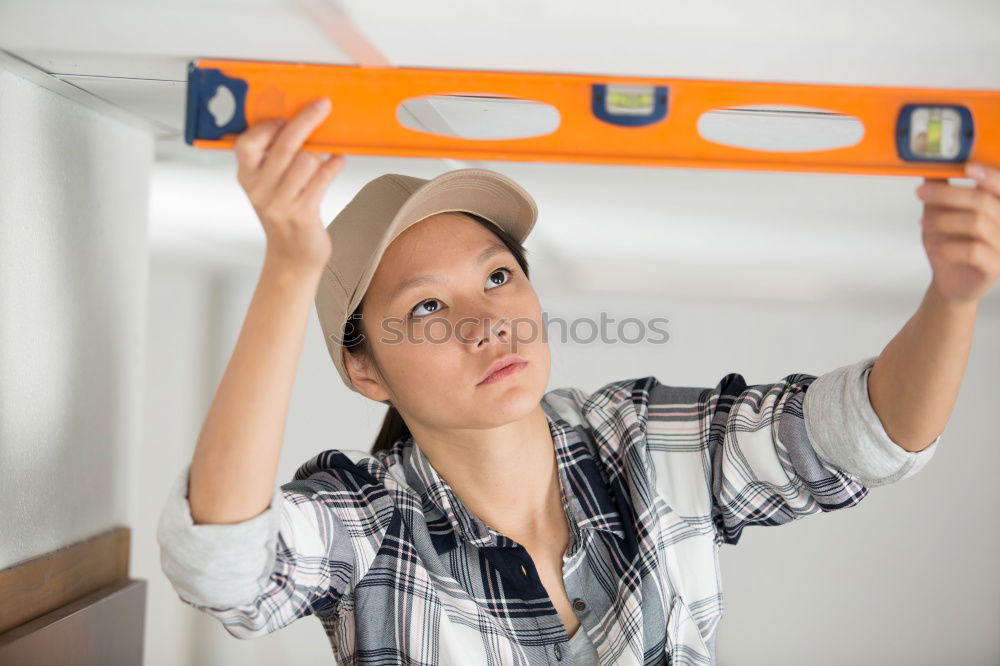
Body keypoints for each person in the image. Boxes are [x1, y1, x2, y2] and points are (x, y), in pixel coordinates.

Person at [157, 96, 996, 665]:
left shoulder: (639, 440)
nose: (487, 325)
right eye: (424, 310)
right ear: (363, 371)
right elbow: (222, 566)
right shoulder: (370, 523)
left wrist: (954, 297)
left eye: (496, 277)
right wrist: (290, 270)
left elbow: (867, 437)